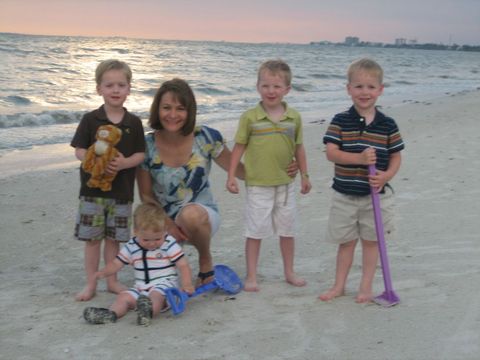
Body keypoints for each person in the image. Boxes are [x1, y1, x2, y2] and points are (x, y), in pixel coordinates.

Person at [136, 78, 298, 288]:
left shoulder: (206, 137)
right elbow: (146, 195)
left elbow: (239, 171)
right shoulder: (147, 145)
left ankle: (205, 260)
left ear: (190, 111)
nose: (173, 115)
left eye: (180, 108)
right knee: (154, 273)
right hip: (161, 219)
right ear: (157, 109)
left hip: (201, 217)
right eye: (166, 107)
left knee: (191, 215)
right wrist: (167, 224)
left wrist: (281, 170)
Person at [318, 58, 404, 303]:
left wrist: (386, 176)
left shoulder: (387, 124)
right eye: (358, 86)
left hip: (376, 196)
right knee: (345, 243)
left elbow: (397, 156)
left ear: (380, 90)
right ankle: (339, 285)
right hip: (345, 194)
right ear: (348, 89)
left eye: (370, 87)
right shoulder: (340, 120)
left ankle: (365, 287)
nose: (364, 92)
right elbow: (331, 153)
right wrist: (359, 157)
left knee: (371, 242)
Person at [226, 59, 311, 292]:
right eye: (265, 86)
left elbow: (299, 148)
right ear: (257, 87)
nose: (271, 91)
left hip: (286, 185)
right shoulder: (250, 117)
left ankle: (289, 272)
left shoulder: (294, 117)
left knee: (287, 230)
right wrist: (231, 176)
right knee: (255, 231)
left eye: (276, 86)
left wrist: (305, 175)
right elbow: (239, 147)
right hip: (258, 185)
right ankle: (251, 275)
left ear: (287, 89)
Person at [71, 59, 146, 301]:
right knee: (92, 240)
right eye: (109, 85)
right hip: (92, 191)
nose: (115, 90)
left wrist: (124, 163)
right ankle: (91, 283)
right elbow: (79, 150)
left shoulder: (133, 123)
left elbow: (140, 154)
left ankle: (112, 281)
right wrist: (91, 160)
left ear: (129, 89)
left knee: (114, 240)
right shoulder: (90, 119)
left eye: (121, 85)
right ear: (99, 89)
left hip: (122, 193)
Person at [83, 203, 194, 325]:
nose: (152, 244)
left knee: (156, 296)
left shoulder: (168, 243)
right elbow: (116, 263)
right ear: (136, 232)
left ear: (164, 230)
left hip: (165, 285)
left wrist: (187, 284)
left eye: (157, 239)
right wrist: (103, 272)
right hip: (140, 288)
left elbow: (183, 265)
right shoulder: (132, 246)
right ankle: (111, 314)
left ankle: (148, 312)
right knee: (123, 297)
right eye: (146, 240)